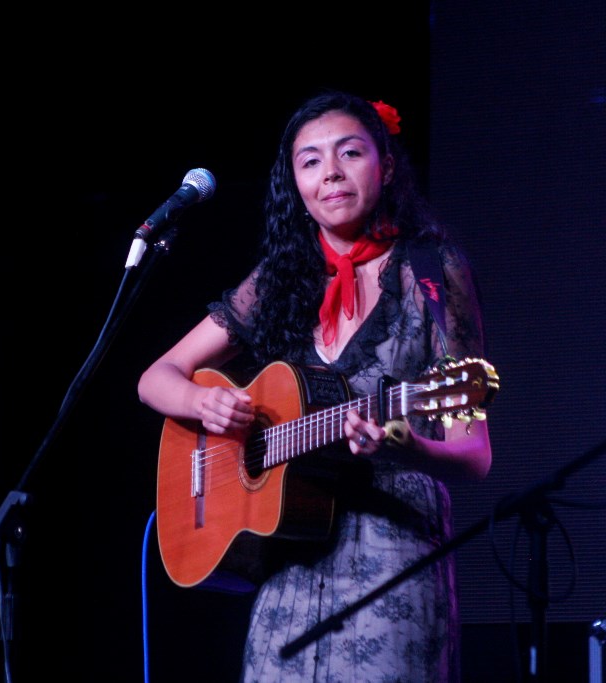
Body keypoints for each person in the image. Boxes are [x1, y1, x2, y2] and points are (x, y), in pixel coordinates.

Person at [137, 90, 492, 682]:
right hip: (289, 567)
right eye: (310, 161)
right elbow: (156, 378)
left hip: (393, 560)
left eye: (349, 153)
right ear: (295, 185)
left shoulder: (432, 271)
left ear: (386, 166)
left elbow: (475, 454)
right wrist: (205, 401)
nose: (330, 172)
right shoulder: (281, 279)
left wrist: (408, 447)